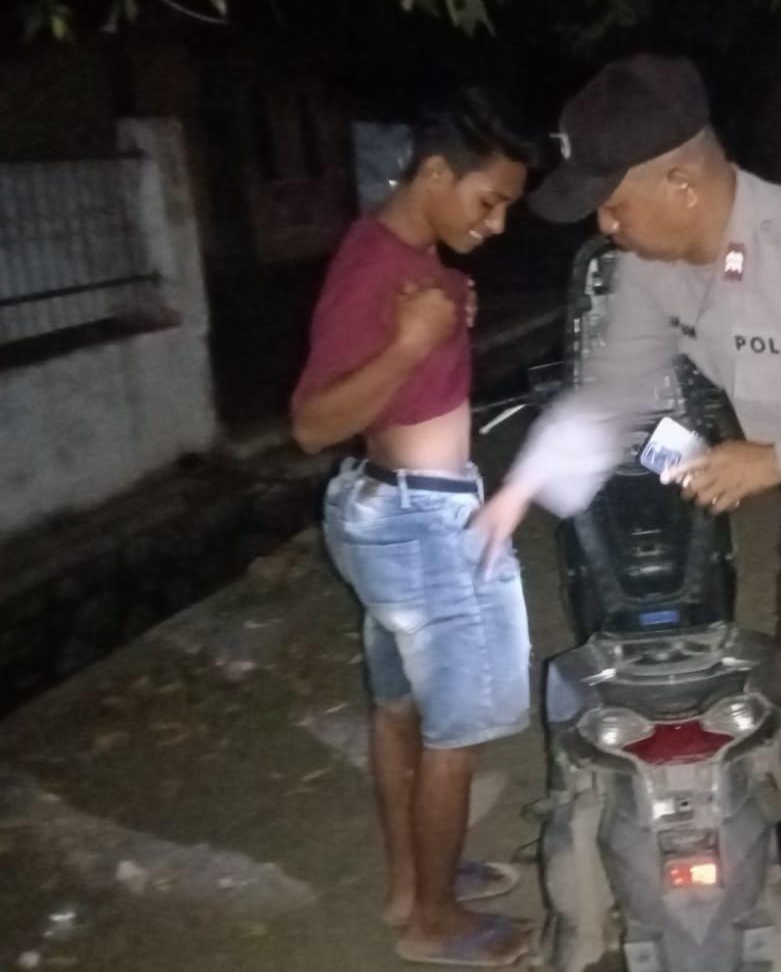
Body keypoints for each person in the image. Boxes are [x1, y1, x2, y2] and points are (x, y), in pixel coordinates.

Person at [471, 54, 781, 972]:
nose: (605, 225)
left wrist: (772, 462)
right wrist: (517, 489)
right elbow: (613, 394)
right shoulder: (647, 264)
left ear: (681, 181)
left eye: (613, 203)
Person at [290, 87, 542, 968]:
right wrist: (408, 344)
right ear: (435, 172)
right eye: (489, 199)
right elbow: (311, 424)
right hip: (419, 522)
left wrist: (440, 322)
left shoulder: (405, 255)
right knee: (458, 729)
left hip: (390, 508)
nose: (497, 223)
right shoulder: (377, 266)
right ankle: (433, 923)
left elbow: (403, 369)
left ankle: (413, 883)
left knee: (398, 706)